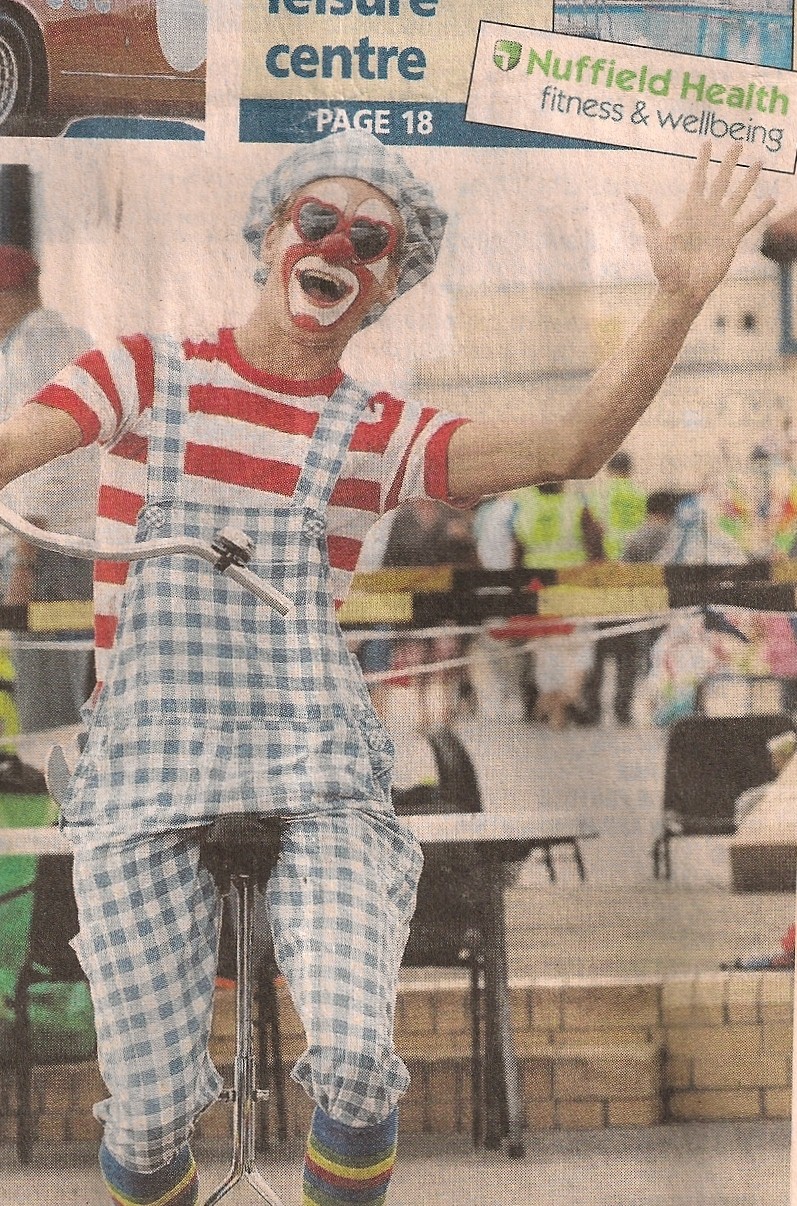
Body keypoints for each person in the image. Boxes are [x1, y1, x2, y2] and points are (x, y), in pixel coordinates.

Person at [0, 133, 773, 1206]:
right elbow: (17, 443)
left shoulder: (374, 430)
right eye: (316, 221)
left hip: (314, 763)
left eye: (370, 241)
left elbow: (571, 445)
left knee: (360, 1067)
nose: (336, 248)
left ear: (388, 286)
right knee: (145, 1111)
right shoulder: (142, 373)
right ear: (271, 237)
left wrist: (680, 298)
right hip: (143, 763)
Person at [0, 245, 96, 732]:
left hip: (48, 553)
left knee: (49, 705)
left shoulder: (40, 346)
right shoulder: (34, 342)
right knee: (48, 693)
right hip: (48, 549)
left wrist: (25, 563)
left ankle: (54, 774)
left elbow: (47, 467)